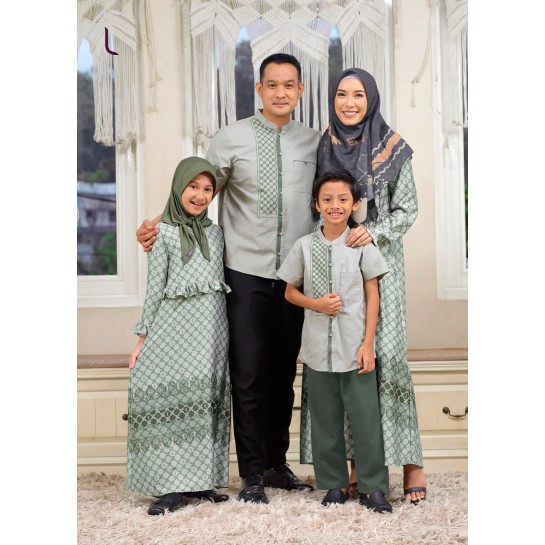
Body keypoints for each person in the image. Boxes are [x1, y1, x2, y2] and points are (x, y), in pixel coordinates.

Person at [136, 53, 370, 504]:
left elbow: (336, 197)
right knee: (247, 374)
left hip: (296, 277)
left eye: (289, 85)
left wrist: (366, 232)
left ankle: (276, 464)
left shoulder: (315, 143)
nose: (281, 92)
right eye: (272, 84)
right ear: (259, 89)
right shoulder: (230, 139)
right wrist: (158, 225)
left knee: (283, 374)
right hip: (243, 271)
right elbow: (196, 192)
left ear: (301, 91)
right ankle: (251, 474)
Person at [299, 67, 428, 505]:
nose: (349, 103)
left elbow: (407, 210)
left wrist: (371, 232)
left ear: (371, 99)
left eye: (358, 95)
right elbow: (316, 207)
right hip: (336, 266)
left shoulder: (394, 147)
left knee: (385, 359)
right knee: (346, 361)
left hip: (381, 265)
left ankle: (409, 462)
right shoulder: (324, 146)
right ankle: (356, 465)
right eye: (341, 94)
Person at [277, 169, 393, 513]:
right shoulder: (303, 246)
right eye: (327, 199)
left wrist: (368, 344)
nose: (335, 205)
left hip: (356, 348)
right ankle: (335, 485)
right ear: (317, 204)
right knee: (325, 422)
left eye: (343, 199)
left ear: (354, 204)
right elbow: (289, 291)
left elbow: (373, 295)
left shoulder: (362, 244)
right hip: (317, 350)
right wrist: (317, 304)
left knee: (366, 421)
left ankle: (373, 487)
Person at [125, 157, 231, 515]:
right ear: (178, 187)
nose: (200, 195)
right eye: (193, 187)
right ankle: (169, 488)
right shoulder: (164, 233)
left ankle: (199, 481)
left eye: (207, 189)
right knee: (172, 406)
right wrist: (143, 338)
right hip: (173, 332)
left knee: (205, 403)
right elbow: (155, 288)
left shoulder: (216, 234)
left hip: (212, 333)